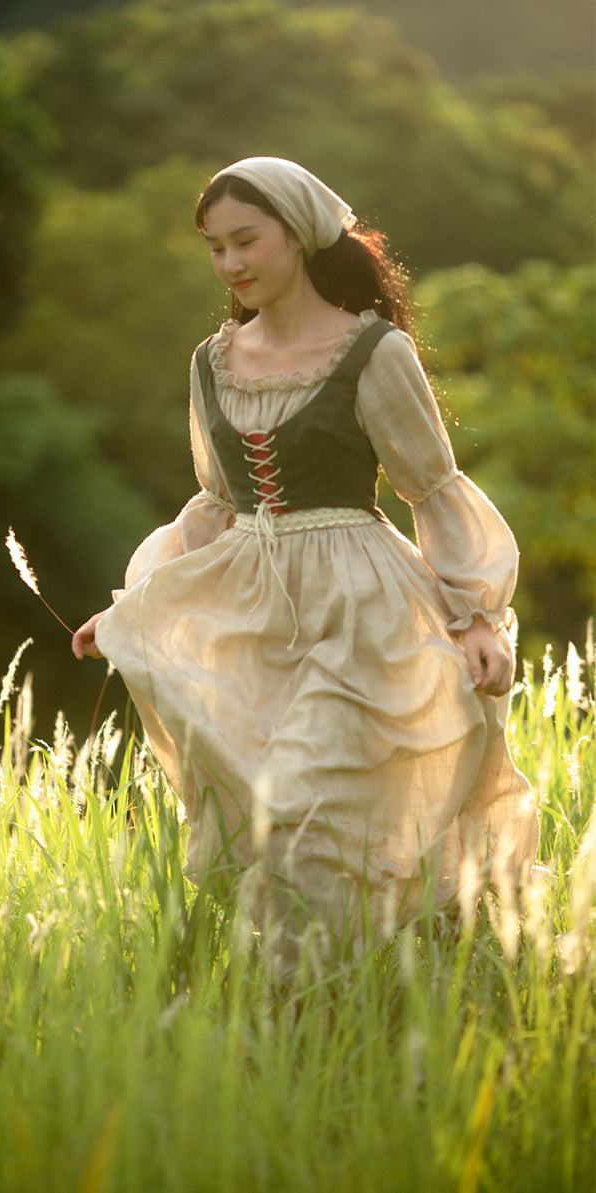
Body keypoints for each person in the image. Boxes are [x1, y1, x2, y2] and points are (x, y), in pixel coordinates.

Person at [72, 157, 538, 978]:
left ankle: (339, 991)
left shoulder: (373, 351)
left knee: (307, 801)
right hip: (249, 606)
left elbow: (429, 488)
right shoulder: (209, 362)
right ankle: (316, 1003)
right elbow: (214, 505)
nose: (231, 264)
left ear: (298, 234)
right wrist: (135, 607)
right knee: (264, 817)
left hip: (356, 603)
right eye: (215, 249)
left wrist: (473, 618)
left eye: (245, 241)